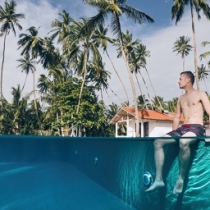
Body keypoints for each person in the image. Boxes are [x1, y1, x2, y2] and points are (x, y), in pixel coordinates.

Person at [145, 71, 210, 194]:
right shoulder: (180, 98)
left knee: (184, 141)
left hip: (196, 128)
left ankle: (181, 178)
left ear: (188, 80)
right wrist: (173, 134)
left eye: (180, 79)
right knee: (158, 142)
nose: (178, 81)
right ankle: (159, 180)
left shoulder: (200, 94)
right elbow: (177, 117)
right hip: (182, 129)